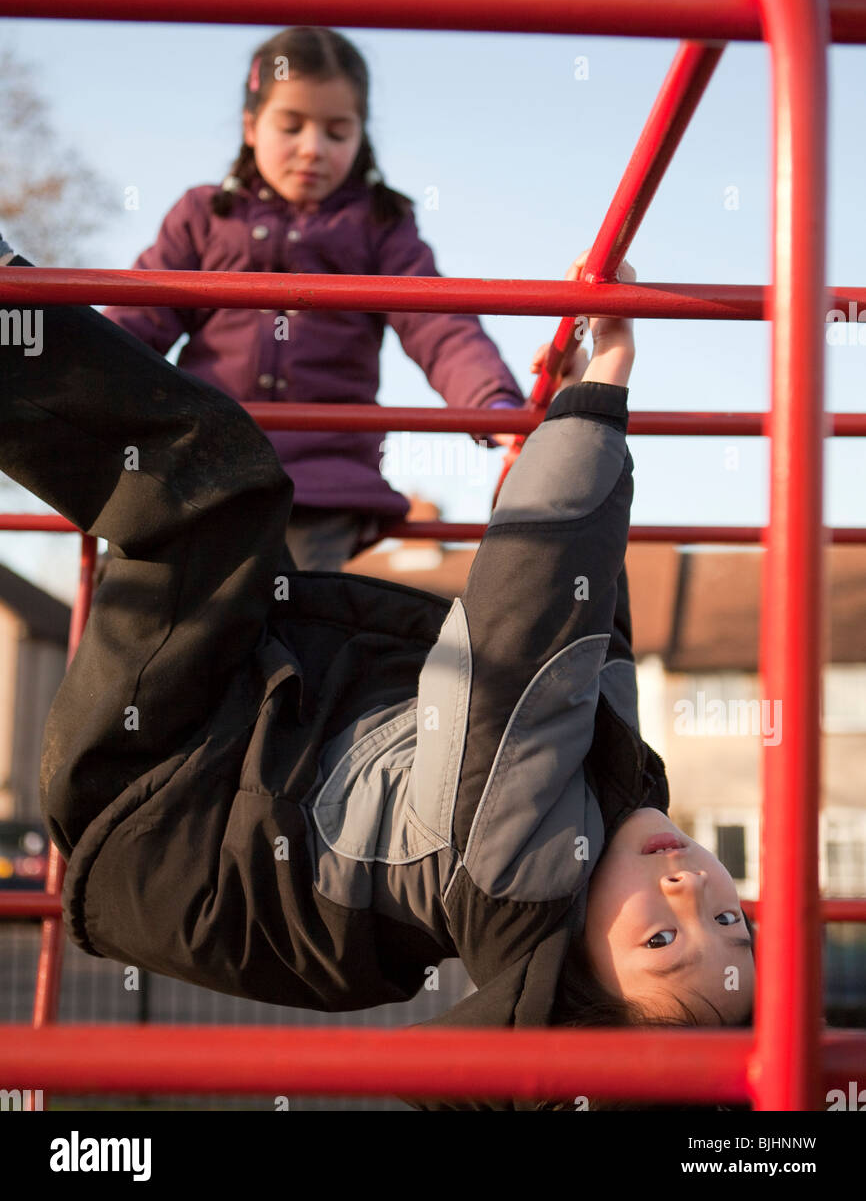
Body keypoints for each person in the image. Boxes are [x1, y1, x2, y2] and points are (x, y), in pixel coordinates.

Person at [0, 234, 754, 1113]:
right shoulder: (607, 802)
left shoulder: (518, 867)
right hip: (231, 769)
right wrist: (567, 426)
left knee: (206, 483)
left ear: (571, 968)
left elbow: (531, 630)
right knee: (247, 535)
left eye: (663, 940)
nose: (693, 887)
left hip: (159, 796)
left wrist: (600, 392)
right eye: (733, 922)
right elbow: (593, 627)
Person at [99, 25, 526, 572]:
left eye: (337, 131)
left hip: (322, 483)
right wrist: (77, 390)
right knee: (166, 619)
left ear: (361, 137)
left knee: (294, 629)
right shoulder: (206, 217)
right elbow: (138, 315)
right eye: (292, 125)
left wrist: (494, 403)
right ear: (251, 126)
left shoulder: (378, 227)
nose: (312, 149)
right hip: (201, 469)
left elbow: (438, 324)